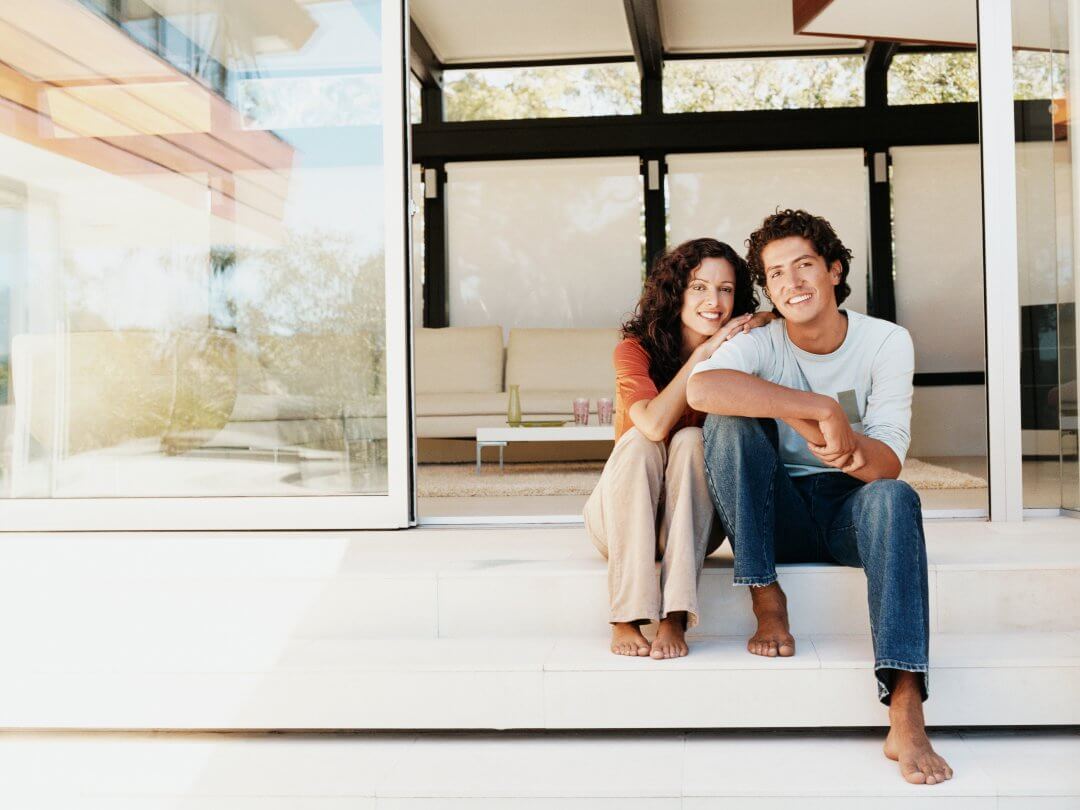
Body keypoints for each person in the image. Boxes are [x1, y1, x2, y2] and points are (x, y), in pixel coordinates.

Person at [686, 209, 952, 786]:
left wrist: (846, 444)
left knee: (897, 498)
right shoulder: (762, 339)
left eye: (804, 265)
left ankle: (905, 704)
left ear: (834, 270)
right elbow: (702, 387)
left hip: (846, 508)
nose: (791, 283)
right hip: (771, 506)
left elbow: (887, 463)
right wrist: (814, 408)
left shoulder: (886, 341)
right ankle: (766, 595)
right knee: (726, 423)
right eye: (775, 274)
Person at [584, 237, 773, 660]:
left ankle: (674, 614)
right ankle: (625, 616)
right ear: (676, 293)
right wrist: (702, 354)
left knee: (692, 440)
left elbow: (783, 318)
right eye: (699, 287)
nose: (714, 300)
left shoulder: (740, 351)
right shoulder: (633, 349)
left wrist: (756, 323)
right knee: (641, 440)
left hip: (691, 525)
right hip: (618, 519)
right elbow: (651, 423)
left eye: (725, 289)